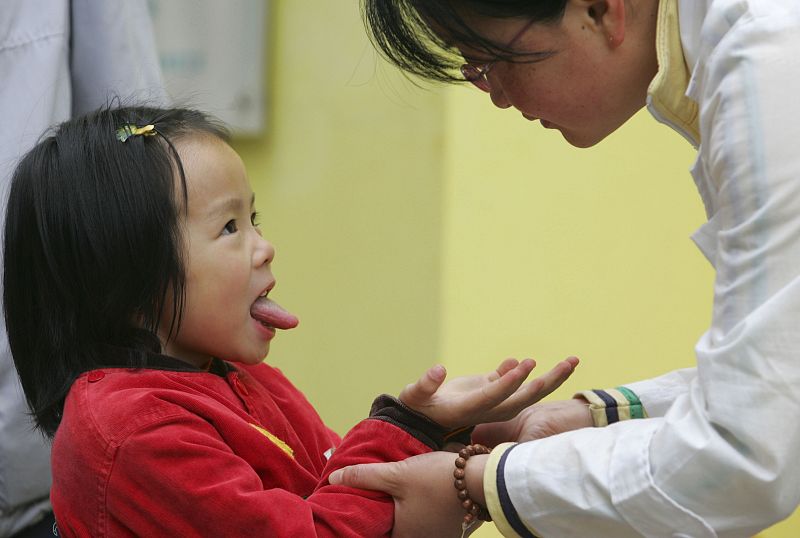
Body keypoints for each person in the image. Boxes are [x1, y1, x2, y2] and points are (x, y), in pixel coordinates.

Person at [330, 0, 800, 536]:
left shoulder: (768, 67)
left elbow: (744, 455)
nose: (499, 98)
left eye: (491, 62)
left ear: (601, 11)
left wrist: (479, 482)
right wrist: (593, 416)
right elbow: (780, 379)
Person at [2, 104, 579, 537]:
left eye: (253, 219)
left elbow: (335, 476)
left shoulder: (241, 380)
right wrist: (425, 451)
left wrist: (465, 435)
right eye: (229, 228)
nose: (264, 247)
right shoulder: (131, 431)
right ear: (124, 278)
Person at [0, 2, 167, 536]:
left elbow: (140, 156)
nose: (265, 248)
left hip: (31, 480)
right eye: (231, 227)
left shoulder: (150, 427)